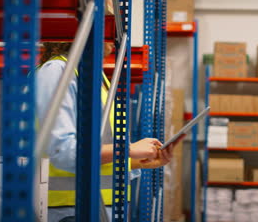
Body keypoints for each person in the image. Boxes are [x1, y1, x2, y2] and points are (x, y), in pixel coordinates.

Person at [36, 41, 179, 222]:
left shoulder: (95, 76)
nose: (109, 37)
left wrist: (139, 162)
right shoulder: (56, 71)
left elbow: (101, 153)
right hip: (67, 210)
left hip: (101, 208)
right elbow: (63, 152)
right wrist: (128, 149)